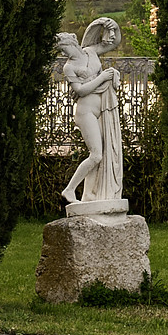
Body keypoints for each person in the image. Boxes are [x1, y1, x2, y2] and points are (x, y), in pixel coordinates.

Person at [58, 16, 124, 206]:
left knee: (102, 156)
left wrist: (115, 26)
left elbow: (114, 43)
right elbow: (80, 90)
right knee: (96, 154)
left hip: (101, 109)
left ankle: (90, 196)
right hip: (85, 112)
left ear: (73, 43)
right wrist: (103, 77)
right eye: (61, 51)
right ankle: (69, 190)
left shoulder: (90, 52)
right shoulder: (69, 66)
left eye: (64, 47)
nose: (63, 52)